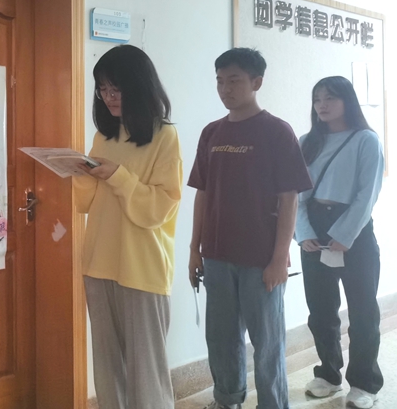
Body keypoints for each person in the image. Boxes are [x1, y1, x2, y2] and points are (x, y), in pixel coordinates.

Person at [187, 48, 312, 409]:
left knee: (267, 341)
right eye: (219, 81)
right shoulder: (212, 132)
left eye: (234, 80)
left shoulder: (277, 131)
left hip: (261, 258)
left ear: (256, 82)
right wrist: (195, 249)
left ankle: (273, 403)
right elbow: (202, 194)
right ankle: (227, 399)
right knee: (221, 337)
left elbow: (289, 198)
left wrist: (279, 257)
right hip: (217, 255)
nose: (225, 89)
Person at [74, 44, 182, 409]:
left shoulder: (164, 136)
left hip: (142, 267)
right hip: (98, 263)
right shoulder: (103, 136)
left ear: (138, 87)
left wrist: (118, 176)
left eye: (116, 89)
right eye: (103, 89)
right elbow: (86, 203)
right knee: (107, 369)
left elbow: (159, 208)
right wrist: (80, 172)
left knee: (146, 373)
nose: (108, 97)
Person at [295, 76, 384, 409]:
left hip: (354, 230)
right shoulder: (306, 142)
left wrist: (344, 235)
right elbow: (295, 195)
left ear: (348, 101)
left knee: (362, 312)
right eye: (317, 98)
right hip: (314, 226)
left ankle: (364, 383)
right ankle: (329, 375)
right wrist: (304, 232)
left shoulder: (366, 140)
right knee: (320, 310)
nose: (322, 104)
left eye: (330, 97)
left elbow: (367, 195)